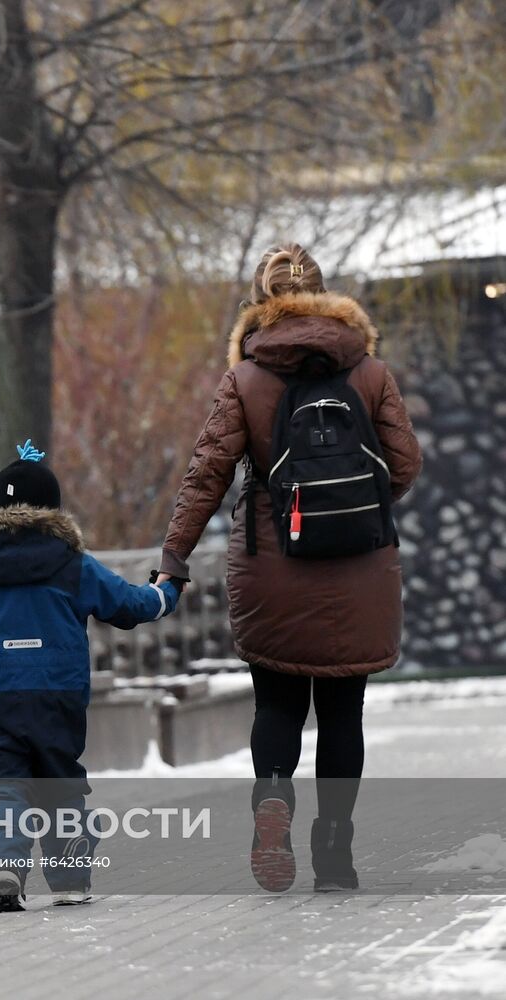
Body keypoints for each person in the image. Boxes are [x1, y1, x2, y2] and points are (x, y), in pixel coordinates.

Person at [157, 243, 422, 893]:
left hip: (271, 565)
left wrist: (174, 559)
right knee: (343, 713)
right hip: (360, 567)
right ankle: (335, 851)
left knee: (276, 704)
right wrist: (353, 505)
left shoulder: (246, 379)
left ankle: (272, 802)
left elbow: (206, 478)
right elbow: (407, 466)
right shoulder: (370, 373)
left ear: (260, 302)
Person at [0, 440, 185, 913]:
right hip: (58, 691)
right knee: (60, 779)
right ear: (52, 509)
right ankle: (70, 880)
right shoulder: (71, 563)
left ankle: (4, 863)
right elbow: (132, 606)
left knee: (1, 778)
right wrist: (168, 589)